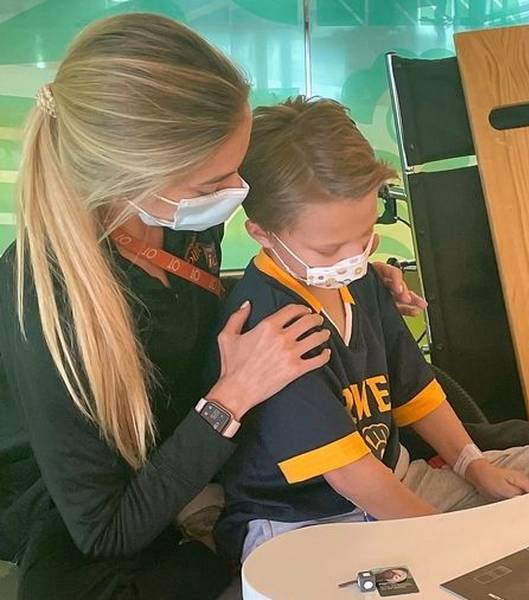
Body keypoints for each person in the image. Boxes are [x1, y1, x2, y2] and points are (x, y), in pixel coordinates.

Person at [0, 14, 422, 600]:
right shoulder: (47, 301)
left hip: (201, 424)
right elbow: (105, 530)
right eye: (213, 184)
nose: (237, 191)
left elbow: (181, 314)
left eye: (236, 169)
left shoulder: (176, 222)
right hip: (108, 496)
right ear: (130, 176)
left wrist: (339, 275)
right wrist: (230, 398)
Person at [209, 96, 529, 563]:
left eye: (365, 234)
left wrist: (473, 464)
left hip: (396, 482)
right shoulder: (267, 324)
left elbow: (416, 390)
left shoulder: (362, 280)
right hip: (303, 524)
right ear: (263, 233)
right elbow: (348, 473)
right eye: (329, 248)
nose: (353, 257)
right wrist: (448, 541)